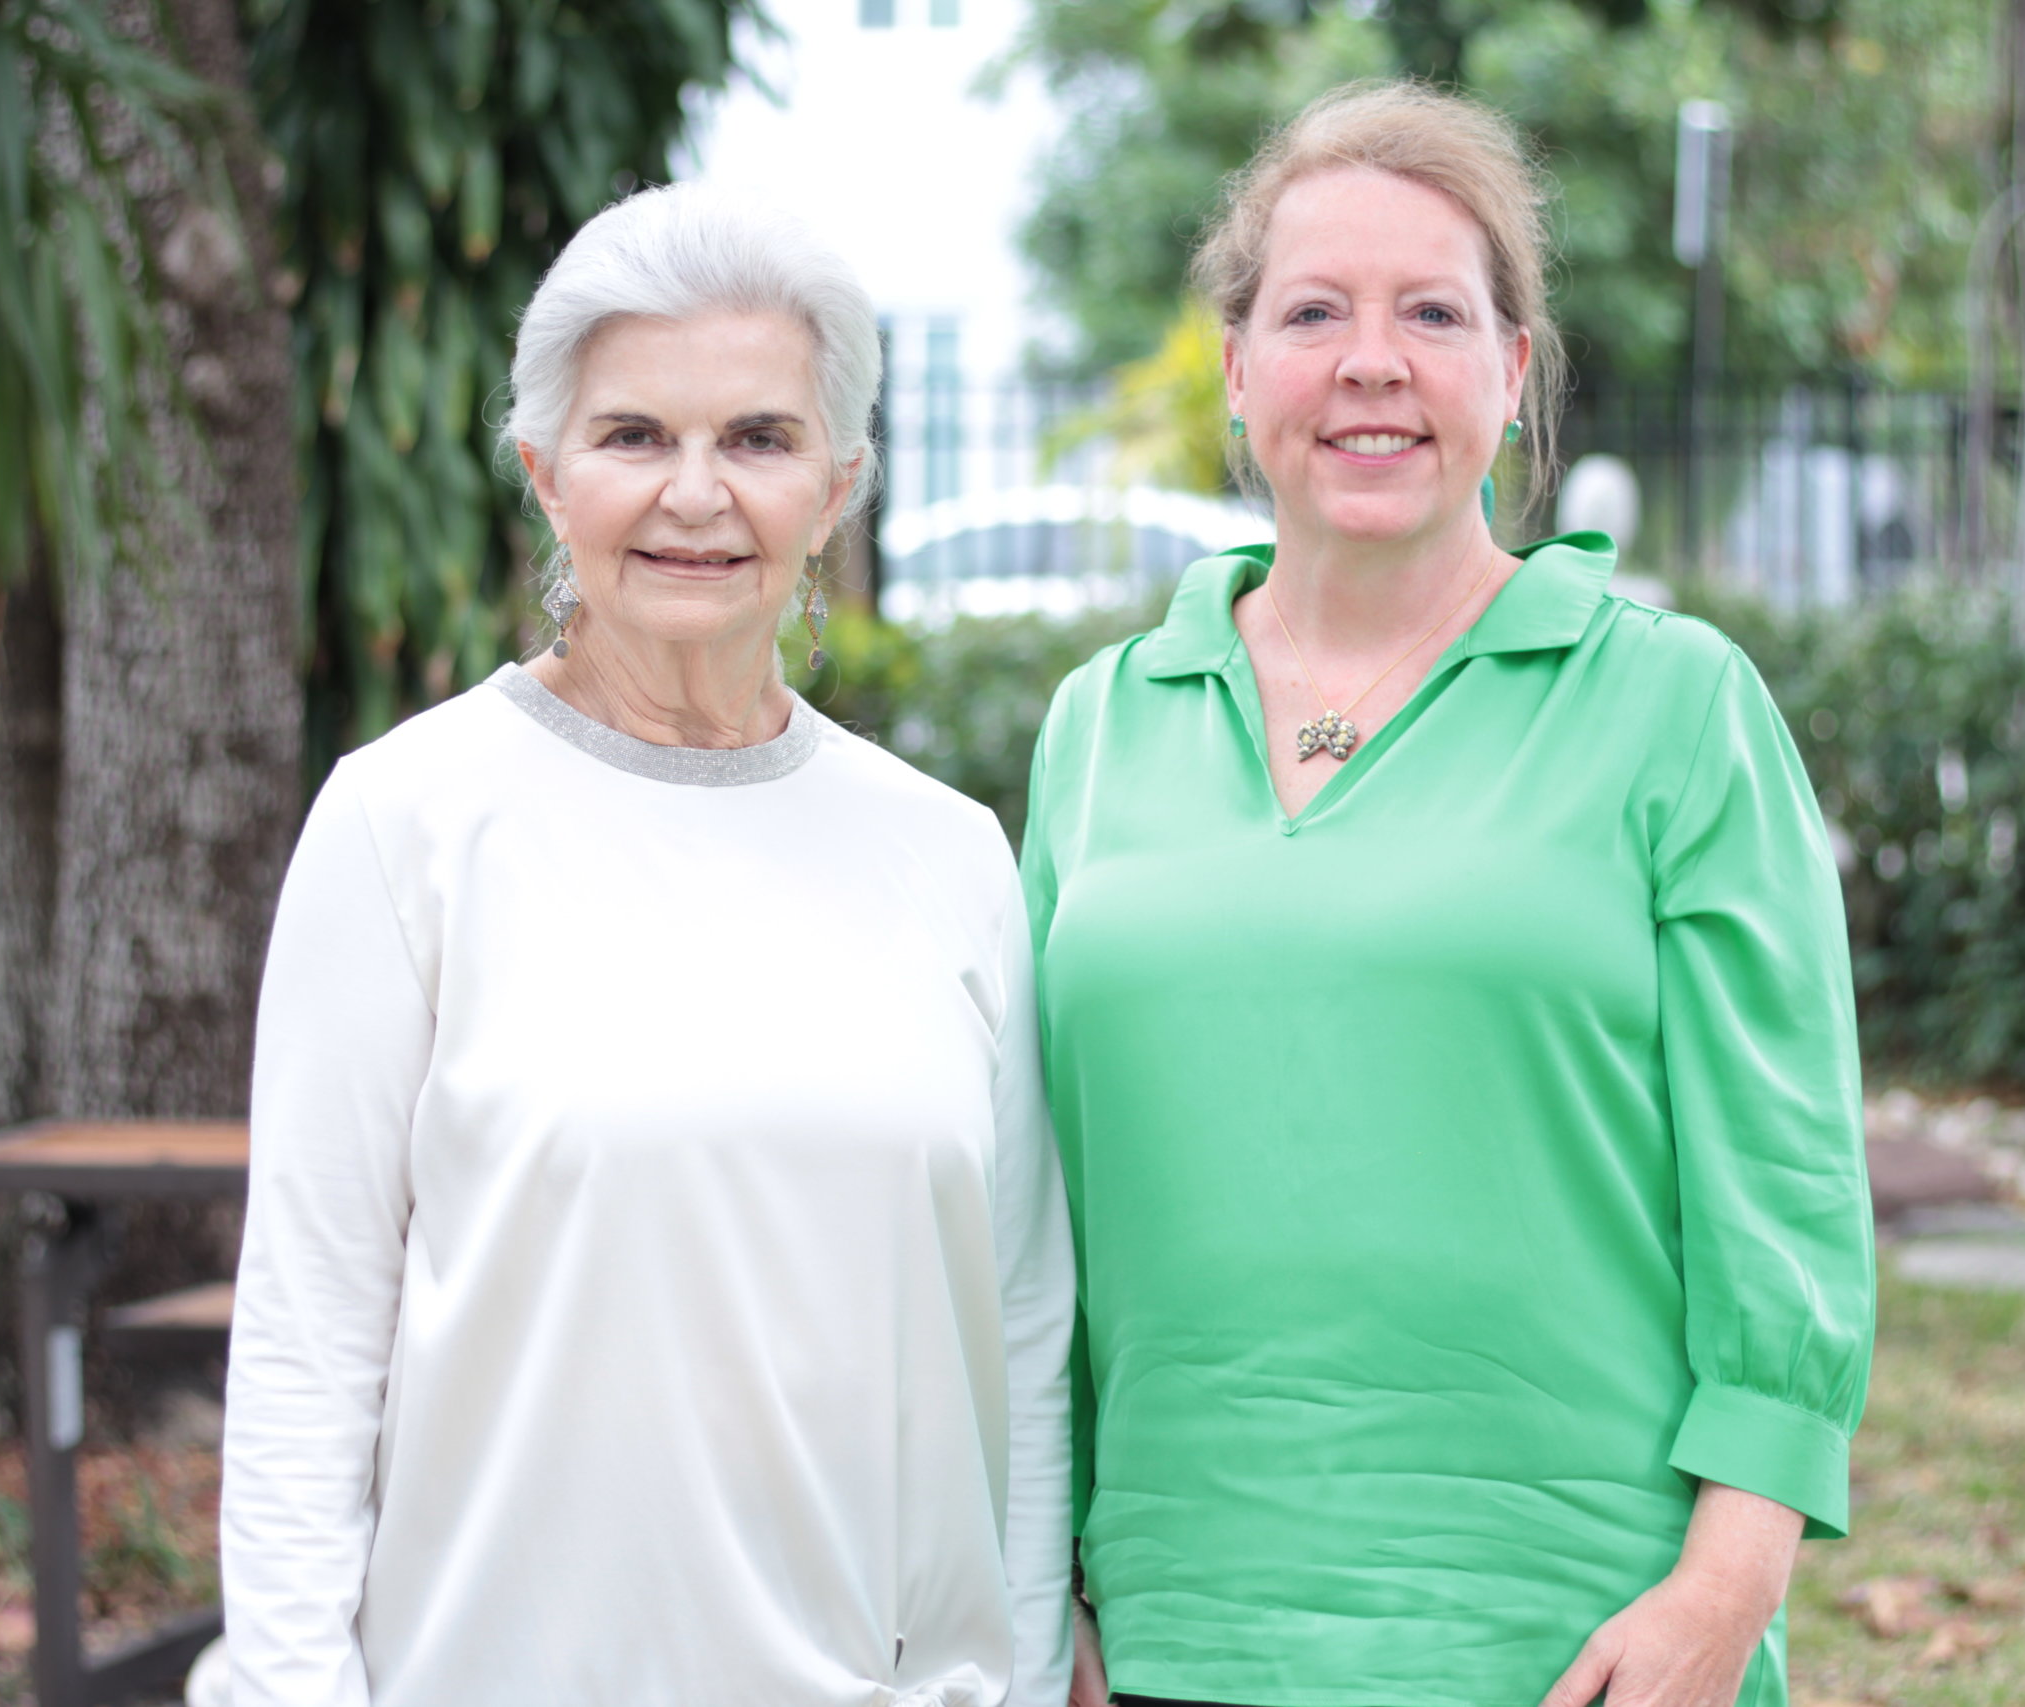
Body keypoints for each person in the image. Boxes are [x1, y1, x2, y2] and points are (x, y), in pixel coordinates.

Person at [1023, 83, 1873, 1707]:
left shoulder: (1676, 709)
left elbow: (1790, 1191)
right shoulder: (1100, 725)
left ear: (1512, 369)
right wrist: (1035, 1569)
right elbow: (1036, 1206)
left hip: (1570, 1641)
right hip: (1169, 1626)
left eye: (1432, 312)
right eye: (1314, 312)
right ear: (1235, 369)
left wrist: (1728, 1586)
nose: (1370, 363)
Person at [221, 183, 1076, 1707]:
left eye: (758, 437)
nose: (696, 494)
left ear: (841, 485)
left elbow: (1011, 1332)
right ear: (548, 478)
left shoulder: (950, 853)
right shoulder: (404, 822)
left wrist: (1009, 1675)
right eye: (635, 437)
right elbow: (306, 1343)